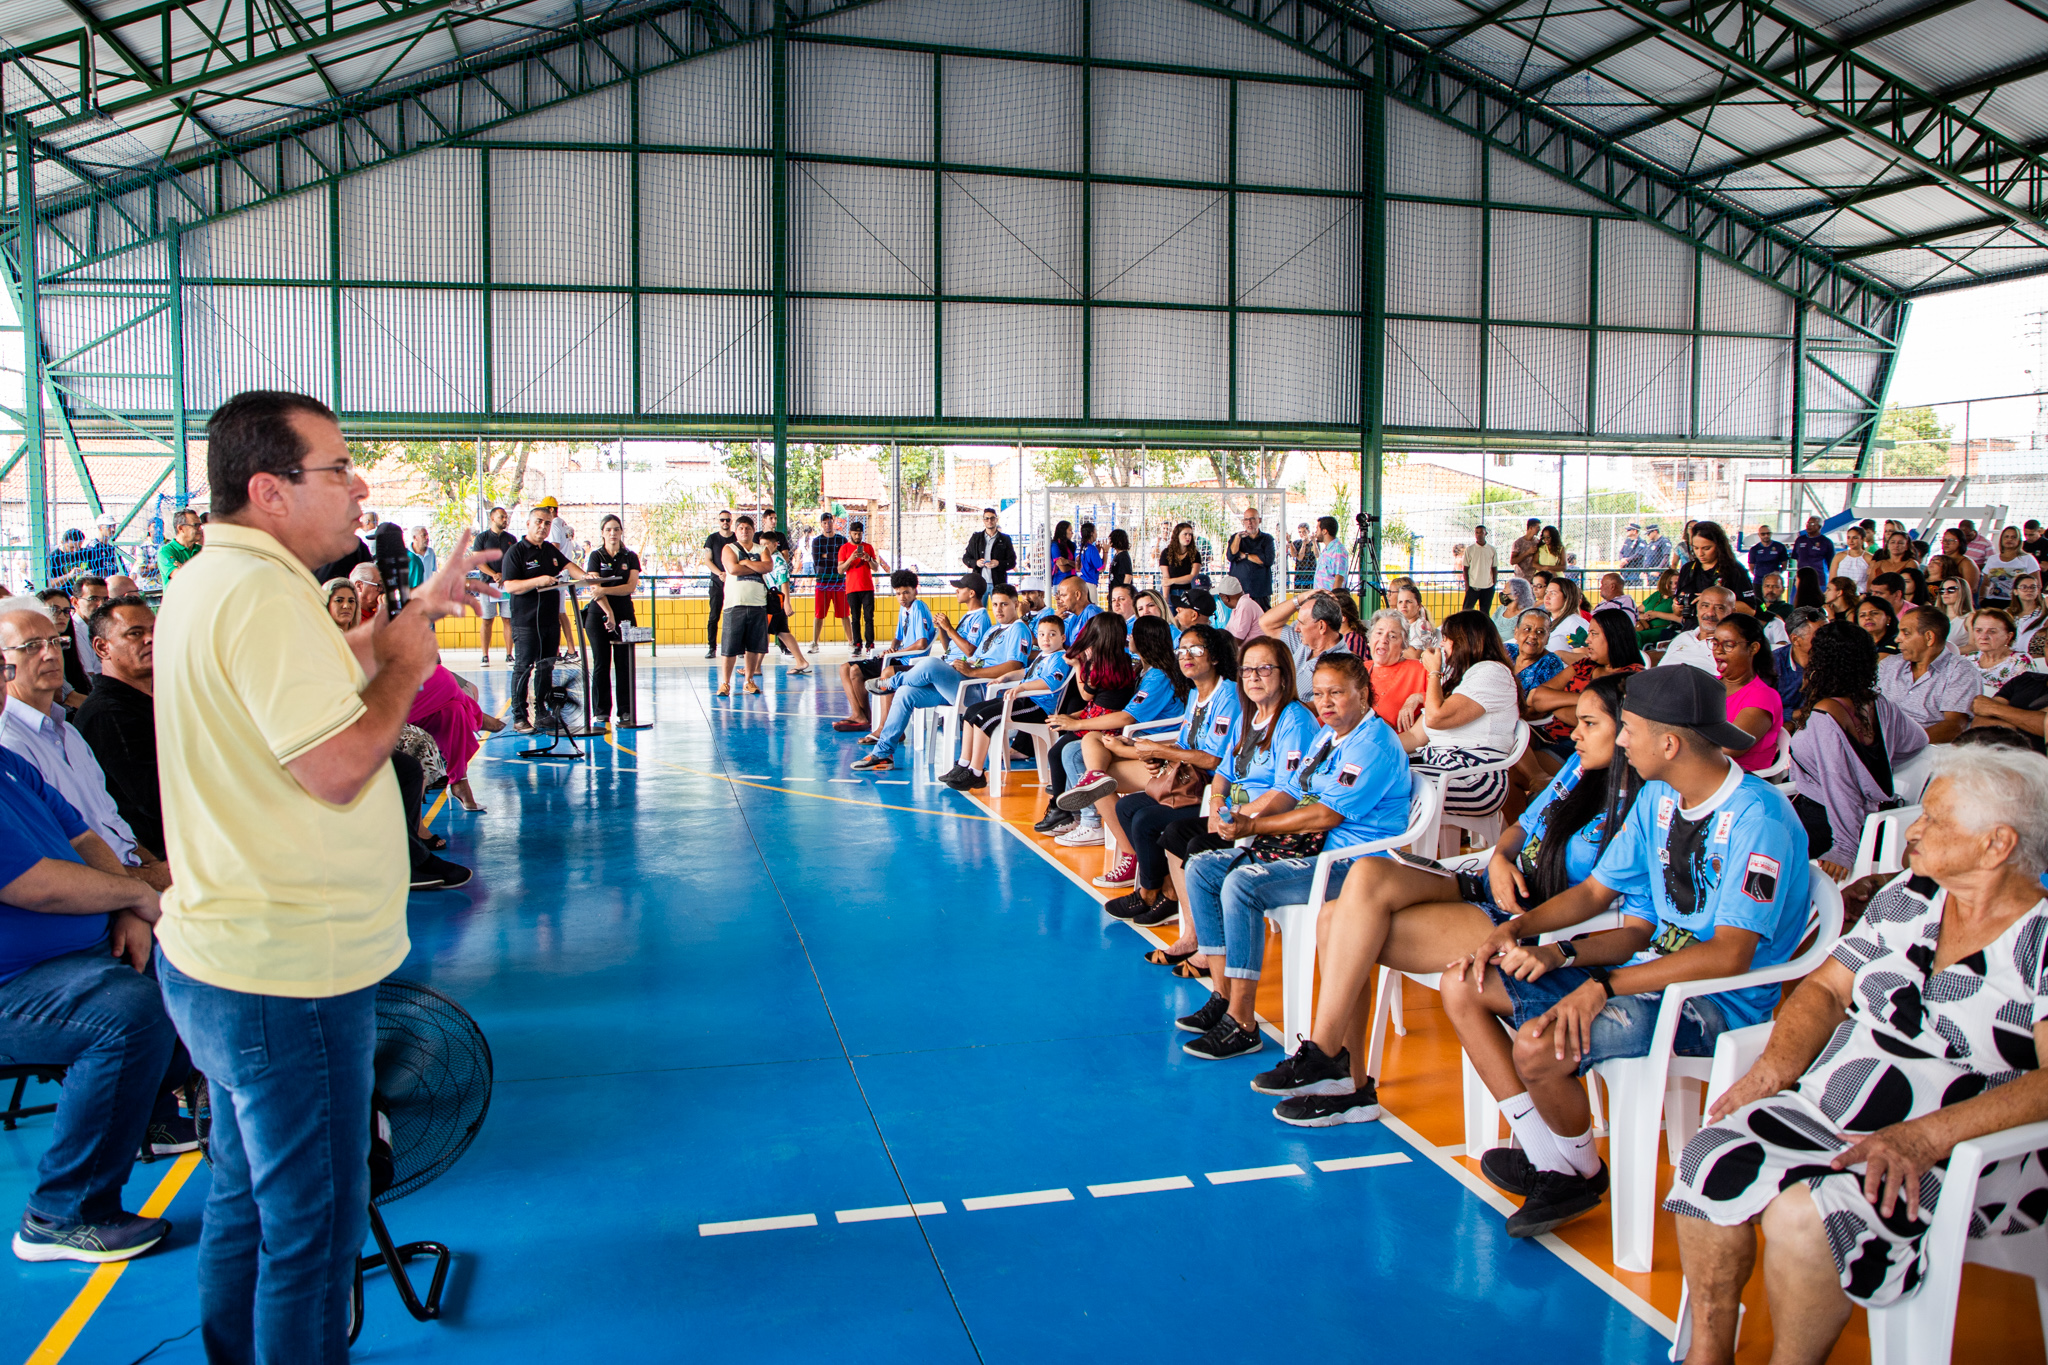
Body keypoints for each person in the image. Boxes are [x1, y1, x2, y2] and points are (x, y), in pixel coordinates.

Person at [150, 389, 494, 1360]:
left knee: (248, 1201)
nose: (359, 487)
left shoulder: (222, 583)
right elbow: (339, 766)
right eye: (337, 468)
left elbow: (295, 682)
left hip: (228, 953)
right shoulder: (260, 595)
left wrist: (410, 620)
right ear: (269, 490)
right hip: (285, 977)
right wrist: (401, 668)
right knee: (313, 1228)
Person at [1669, 749, 2048, 1359]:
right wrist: (1775, 1068)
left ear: (1997, 844)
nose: (1914, 829)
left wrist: (1925, 1137)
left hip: (1962, 1150)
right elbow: (1825, 985)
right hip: (1831, 1105)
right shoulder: (1910, 894)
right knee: (1709, 1151)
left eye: (1936, 819)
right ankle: (1708, 1352)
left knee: (1805, 1214)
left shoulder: (2041, 941)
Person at [1442, 665, 1809, 1237]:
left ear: (1669, 742)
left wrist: (1603, 986)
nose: (1622, 740)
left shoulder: (1760, 820)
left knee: (1539, 1048)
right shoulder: (1661, 795)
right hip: (1643, 977)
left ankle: (1572, 1170)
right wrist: (1520, 933)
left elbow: (1730, 955)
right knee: (1463, 981)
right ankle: (1559, 1161)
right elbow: (1595, 892)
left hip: (1716, 1004)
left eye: (1630, 728)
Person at [1256, 673, 1645, 1126]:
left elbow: (1606, 900)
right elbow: (1521, 827)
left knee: (1335, 923)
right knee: (1364, 875)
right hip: (1488, 883)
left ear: (1629, 730)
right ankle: (1335, 1067)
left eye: (1590, 724)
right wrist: (1500, 857)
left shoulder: (1638, 804)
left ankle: (1344, 1076)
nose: (1574, 733)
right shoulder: (1577, 770)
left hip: (1530, 920)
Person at [0, 681, 193, 1265]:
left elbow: (82, 835)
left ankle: (156, 1117)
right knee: (128, 1017)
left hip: (76, 951)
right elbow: (36, 885)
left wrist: (128, 905)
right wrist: (135, 897)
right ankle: (62, 1214)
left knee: (195, 951)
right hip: (16, 984)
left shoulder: (8, 764)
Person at [1176, 651, 1412, 1061]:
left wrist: (1254, 828)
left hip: (1351, 866)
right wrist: (1243, 816)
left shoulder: (1373, 743)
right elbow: (1296, 789)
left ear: (1363, 693)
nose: (1325, 702)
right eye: (1319, 693)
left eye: (1337, 692)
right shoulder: (1326, 735)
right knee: (1201, 868)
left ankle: (1242, 1023)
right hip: (1309, 849)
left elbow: (1323, 814)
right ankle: (1223, 995)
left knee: (1242, 884)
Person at [1108, 634, 1317, 932]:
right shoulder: (1251, 715)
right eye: (1247, 670)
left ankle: (1194, 924)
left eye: (1264, 669)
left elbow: (1286, 791)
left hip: (1263, 822)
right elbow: (1226, 772)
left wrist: (1235, 817)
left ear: (1284, 675)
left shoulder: (1293, 720)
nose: (1253, 677)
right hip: (1224, 806)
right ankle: (1179, 913)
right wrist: (1218, 802)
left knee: (1169, 831)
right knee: (1143, 815)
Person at [0, 600, 171, 889]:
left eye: (55, 642)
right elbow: (58, 854)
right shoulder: (11, 745)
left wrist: (153, 868)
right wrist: (143, 885)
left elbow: (111, 823)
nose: (50, 654)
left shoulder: (67, 732)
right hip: (104, 892)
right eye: (31, 646)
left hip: (132, 876)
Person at [1067, 625, 1238, 887]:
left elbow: (1213, 760)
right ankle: (1099, 783)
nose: (1186, 656)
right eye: (1181, 650)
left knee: (1105, 786)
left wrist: (1153, 750)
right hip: (1177, 766)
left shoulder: (1228, 696)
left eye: (1195, 650)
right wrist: (1137, 744)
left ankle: (1133, 861)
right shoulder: (1195, 694)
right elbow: (1183, 742)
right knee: (1094, 758)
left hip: (1199, 780)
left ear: (1214, 657)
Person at [1786, 619, 1925, 878]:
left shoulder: (1825, 714)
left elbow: (1840, 786)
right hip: (1868, 815)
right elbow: (1918, 741)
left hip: (1828, 822)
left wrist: (1845, 847)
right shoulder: (1879, 704)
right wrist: (1871, 767)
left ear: (1822, 661)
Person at [1401, 612, 1521, 818]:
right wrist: (1372, 745)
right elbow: (1415, 736)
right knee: (1370, 767)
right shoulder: (1461, 677)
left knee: (1382, 781)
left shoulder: (1492, 672)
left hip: (1476, 779)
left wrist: (1433, 672)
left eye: (1446, 639)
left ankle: (1374, 848)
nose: (1441, 645)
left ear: (1467, 640)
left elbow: (1435, 718)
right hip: (1443, 766)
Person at [74, 596, 167, 863]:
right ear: (102, 648)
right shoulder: (106, 714)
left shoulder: (158, 698)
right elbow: (155, 799)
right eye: (135, 633)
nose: (150, 639)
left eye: (154, 630)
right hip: (157, 858)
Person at [1032, 614, 1141, 833]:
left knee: (1058, 752)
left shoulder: (1100, 666)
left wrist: (1078, 666)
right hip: (1098, 716)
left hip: (1102, 724)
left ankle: (1065, 810)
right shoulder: (1121, 662)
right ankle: (1065, 806)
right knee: (1060, 748)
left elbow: (1085, 694)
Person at [948, 603, 1066, 788]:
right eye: (1042, 634)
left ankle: (977, 772)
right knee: (972, 711)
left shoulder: (1060, 658)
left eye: (1052, 634)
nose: (1046, 639)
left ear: (1062, 637)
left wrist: (1022, 688)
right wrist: (1006, 676)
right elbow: (1026, 671)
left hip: (1038, 706)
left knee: (983, 717)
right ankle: (964, 763)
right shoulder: (1043, 656)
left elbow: (1051, 682)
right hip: (1024, 700)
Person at [504, 507, 592, 728]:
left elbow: (568, 565)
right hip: (526, 622)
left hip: (549, 622)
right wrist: (537, 581)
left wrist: (584, 576)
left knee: (546, 667)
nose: (543, 527)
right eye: (539, 522)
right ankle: (519, 717)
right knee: (523, 667)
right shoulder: (516, 552)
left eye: (547, 524)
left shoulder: (550, 552)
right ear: (529, 524)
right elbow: (510, 585)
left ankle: (542, 712)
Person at [1524, 610, 1645, 764]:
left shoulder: (1631, 676)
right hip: (1547, 733)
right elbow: (1537, 697)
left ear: (1614, 637)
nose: (1587, 640)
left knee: (1515, 771)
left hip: (1583, 743)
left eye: (1594, 634)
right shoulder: (1585, 664)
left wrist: (1553, 703)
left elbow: (1593, 720)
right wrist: (1587, 699)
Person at [834, 569, 933, 734]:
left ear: (916, 590)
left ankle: (865, 718)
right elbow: (898, 637)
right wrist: (892, 647)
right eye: (898, 594)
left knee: (855, 671)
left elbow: (921, 644)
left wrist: (895, 653)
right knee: (845, 668)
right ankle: (859, 714)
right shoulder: (904, 609)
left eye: (906, 592)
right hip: (898, 657)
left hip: (907, 662)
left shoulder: (918, 607)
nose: (902, 597)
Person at [1879, 606, 1981, 744]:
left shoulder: (1960, 671)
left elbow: (1954, 726)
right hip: (1879, 743)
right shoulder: (1890, 664)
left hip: (1924, 752)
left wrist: (1902, 745)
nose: (1897, 639)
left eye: (1906, 633)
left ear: (1929, 637)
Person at [583, 514, 644, 726]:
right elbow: (594, 590)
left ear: (621, 532)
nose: (613, 533)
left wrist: (605, 589)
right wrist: (608, 612)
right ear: (602, 532)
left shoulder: (630, 556)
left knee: (624, 663)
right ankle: (601, 712)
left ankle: (625, 711)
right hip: (598, 614)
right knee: (601, 663)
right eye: (608, 529)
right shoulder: (595, 556)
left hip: (625, 615)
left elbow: (630, 587)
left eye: (616, 529)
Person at [1712, 613, 1782, 772]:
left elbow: (1731, 747)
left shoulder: (1764, 696)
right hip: (1705, 773)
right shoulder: (1710, 684)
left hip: (1739, 781)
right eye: (1715, 643)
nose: (1718, 651)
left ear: (1753, 648)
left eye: (1728, 645)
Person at [714, 515, 776, 697]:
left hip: (758, 604)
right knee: (729, 647)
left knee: (753, 646)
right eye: (741, 528)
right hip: (735, 604)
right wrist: (757, 566)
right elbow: (733, 569)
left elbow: (768, 566)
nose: (744, 531)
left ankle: (749, 680)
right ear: (736, 530)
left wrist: (748, 563)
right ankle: (725, 683)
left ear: (753, 530)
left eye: (748, 528)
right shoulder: (729, 548)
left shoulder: (762, 548)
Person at [1259, 589, 1347, 690]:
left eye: (1302, 623)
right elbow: (1266, 623)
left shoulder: (1341, 665)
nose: (1296, 628)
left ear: (1321, 626)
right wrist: (1300, 598)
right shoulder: (1303, 643)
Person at [1363, 608, 1429, 732]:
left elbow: (1445, 702)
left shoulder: (1420, 670)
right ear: (1370, 639)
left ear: (1403, 645)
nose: (1383, 640)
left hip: (1400, 745)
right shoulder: (1358, 670)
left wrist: (1418, 697)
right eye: (1379, 633)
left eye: (1392, 636)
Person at [469, 505, 516, 665]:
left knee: (508, 619)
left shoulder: (511, 539)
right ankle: (484, 655)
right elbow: (478, 560)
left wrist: (505, 575)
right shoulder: (482, 538)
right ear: (492, 518)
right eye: (501, 517)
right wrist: (494, 574)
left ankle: (509, 654)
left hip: (506, 585)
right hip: (488, 585)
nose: (505, 520)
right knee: (487, 619)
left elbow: (514, 560)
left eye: (506, 517)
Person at [1658, 583, 1736, 674]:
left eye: (1719, 608)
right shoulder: (1683, 637)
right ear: (1697, 609)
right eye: (1705, 606)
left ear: (1732, 612)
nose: (1710, 613)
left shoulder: (1730, 646)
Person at [839, 520, 885, 657]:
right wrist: (851, 559)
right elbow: (840, 570)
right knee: (855, 618)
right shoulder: (844, 549)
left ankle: (870, 644)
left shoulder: (868, 547)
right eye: (855, 534)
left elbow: (876, 568)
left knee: (869, 617)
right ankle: (857, 644)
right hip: (852, 589)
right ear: (850, 534)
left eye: (859, 534)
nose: (858, 537)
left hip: (867, 588)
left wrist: (868, 558)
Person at [809, 511, 849, 650]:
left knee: (845, 614)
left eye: (830, 521)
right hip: (823, 582)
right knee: (819, 614)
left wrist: (828, 556)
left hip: (840, 582)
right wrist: (836, 557)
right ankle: (815, 643)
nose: (828, 525)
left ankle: (851, 643)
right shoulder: (816, 541)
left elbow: (844, 560)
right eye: (825, 522)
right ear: (821, 525)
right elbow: (818, 561)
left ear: (834, 522)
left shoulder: (842, 540)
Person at [701, 509, 738, 659]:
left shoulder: (736, 538)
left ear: (731, 521)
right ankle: (712, 647)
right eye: (722, 520)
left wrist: (730, 573)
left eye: (727, 520)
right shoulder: (712, 539)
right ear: (719, 521)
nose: (725, 523)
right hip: (717, 582)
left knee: (735, 616)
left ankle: (737, 648)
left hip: (734, 582)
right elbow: (707, 560)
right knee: (714, 616)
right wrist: (720, 574)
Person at [1772, 605, 1823, 712]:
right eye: (1819, 635)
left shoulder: (1834, 661)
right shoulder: (1773, 664)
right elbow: (1763, 709)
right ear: (1795, 639)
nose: (1827, 639)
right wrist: (1796, 715)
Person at [1971, 606, 2034, 692]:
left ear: (2008, 636)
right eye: (1978, 630)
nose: (1983, 637)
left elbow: (2025, 698)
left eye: (1992, 631)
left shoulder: (2020, 662)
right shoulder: (1967, 660)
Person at [1227, 507, 1277, 608]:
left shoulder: (1267, 539)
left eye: (1253, 519)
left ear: (1259, 520)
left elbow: (1267, 560)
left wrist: (1245, 556)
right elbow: (1231, 556)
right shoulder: (1236, 538)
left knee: (1263, 621)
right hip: (1239, 591)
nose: (1249, 522)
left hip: (1260, 591)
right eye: (1246, 519)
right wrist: (1237, 538)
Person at [1980, 524, 2041, 605]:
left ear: (2019, 540)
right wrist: (1981, 599)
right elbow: (1985, 583)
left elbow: (2037, 584)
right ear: (2001, 539)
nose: (2009, 539)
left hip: (2018, 602)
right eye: (2006, 536)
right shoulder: (1992, 559)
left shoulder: (2027, 558)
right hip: (1992, 600)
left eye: (2013, 537)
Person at [962, 507, 1016, 589]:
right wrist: (976, 563)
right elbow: (966, 558)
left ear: (996, 520)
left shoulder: (1005, 539)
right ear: (983, 521)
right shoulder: (976, 538)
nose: (989, 521)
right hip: (979, 583)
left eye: (992, 518)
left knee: (998, 602)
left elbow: (1012, 562)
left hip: (999, 583)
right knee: (979, 602)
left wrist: (998, 563)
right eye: (986, 518)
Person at [1513, 608, 1563, 694]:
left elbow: (1538, 703)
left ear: (1547, 638)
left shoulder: (1551, 664)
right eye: (1527, 629)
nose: (1533, 635)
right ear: (1516, 633)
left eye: (1540, 632)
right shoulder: (1506, 651)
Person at [1635, 565, 1682, 651]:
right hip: (1645, 626)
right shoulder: (1657, 595)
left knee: (1637, 636)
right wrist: (1643, 616)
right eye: (1670, 583)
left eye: (1677, 583)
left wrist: (1657, 614)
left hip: (1663, 629)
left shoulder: (1678, 599)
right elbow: (1637, 611)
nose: (1674, 586)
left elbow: (1681, 619)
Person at [1159, 521, 1203, 607]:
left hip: (1188, 593)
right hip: (1171, 592)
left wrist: (1172, 581)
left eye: (1190, 534)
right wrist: (1165, 598)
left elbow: (1192, 577)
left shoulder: (1195, 554)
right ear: (1177, 535)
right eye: (1185, 534)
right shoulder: (1166, 553)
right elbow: (1166, 578)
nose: (1188, 537)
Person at [1456, 524, 1497, 614]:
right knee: (1466, 610)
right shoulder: (1470, 549)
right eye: (1477, 532)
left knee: (1485, 611)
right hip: (1473, 585)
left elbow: (1494, 567)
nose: (1479, 534)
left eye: (1481, 532)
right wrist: (1467, 583)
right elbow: (1465, 568)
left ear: (1485, 533)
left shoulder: (1492, 549)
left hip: (1488, 586)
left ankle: (1483, 628)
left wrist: (1494, 583)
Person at [1390, 581, 1438, 656]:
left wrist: (1392, 647)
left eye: (1408, 602)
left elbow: (1415, 655)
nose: (1403, 605)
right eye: (1400, 602)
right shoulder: (1399, 625)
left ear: (1418, 606)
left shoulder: (1422, 625)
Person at [158, 509, 203, 586]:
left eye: (200, 525)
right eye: (196, 525)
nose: (200, 529)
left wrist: (184, 568)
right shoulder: (166, 551)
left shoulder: (202, 550)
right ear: (181, 528)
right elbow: (180, 577)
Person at [1830, 524, 1875, 597]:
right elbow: (1832, 580)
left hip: (1861, 596)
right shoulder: (1839, 557)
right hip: (1841, 596)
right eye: (1849, 537)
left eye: (1855, 538)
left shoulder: (1869, 558)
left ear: (1863, 539)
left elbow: (1872, 583)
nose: (1851, 541)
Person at [1215, 574, 1262, 642]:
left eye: (1220, 597)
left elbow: (1237, 640)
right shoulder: (1239, 606)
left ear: (1226, 598)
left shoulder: (1245, 606)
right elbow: (1227, 632)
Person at [1791, 515, 1834, 587]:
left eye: (1812, 524)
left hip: (1819, 579)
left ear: (1819, 527)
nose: (1809, 526)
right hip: (1802, 578)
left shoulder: (1826, 542)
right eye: (1808, 523)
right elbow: (1797, 558)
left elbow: (1831, 563)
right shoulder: (1800, 540)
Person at [2012, 571, 2048, 654]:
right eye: (2024, 587)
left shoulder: (2043, 614)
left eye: (2033, 587)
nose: (2029, 590)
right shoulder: (2008, 614)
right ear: (2015, 591)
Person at [1310, 515, 1348, 592]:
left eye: (1317, 529)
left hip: (1329, 600)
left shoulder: (1337, 551)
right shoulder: (1327, 550)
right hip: (1322, 598)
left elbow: (1339, 579)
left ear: (1324, 531)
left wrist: (1334, 599)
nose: (1316, 532)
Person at [1493, 578, 1534, 647]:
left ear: (1516, 595)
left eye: (1505, 589)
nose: (1503, 592)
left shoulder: (1527, 614)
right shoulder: (1500, 609)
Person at [1938, 573, 1976, 648]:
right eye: (1942, 590)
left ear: (1963, 592)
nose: (1945, 593)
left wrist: (1949, 652)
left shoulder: (1969, 617)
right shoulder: (1935, 616)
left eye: (1951, 590)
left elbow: (1974, 646)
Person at [1075, 522, 1104, 588]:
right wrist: (1105, 552)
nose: (1097, 534)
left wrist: (1097, 552)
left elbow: (1087, 560)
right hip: (1089, 583)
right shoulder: (1091, 548)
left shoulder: (1079, 548)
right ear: (1091, 533)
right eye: (1095, 531)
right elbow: (1101, 568)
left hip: (1079, 582)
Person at [1048, 519, 1077, 586]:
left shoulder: (1072, 545)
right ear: (1063, 531)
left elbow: (1080, 565)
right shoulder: (1055, 545)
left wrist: (1067, 562)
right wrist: (1074, 565)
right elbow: (1063, 568)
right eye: (1070, 530)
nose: (1072, 533)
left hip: (1073, 581)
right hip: (1060, 582)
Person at [1105, 527, 1133, 593]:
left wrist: (1124, 592)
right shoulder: (1117, 555)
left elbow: (1128, 575)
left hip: (1120, 591)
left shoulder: (1123, 556)